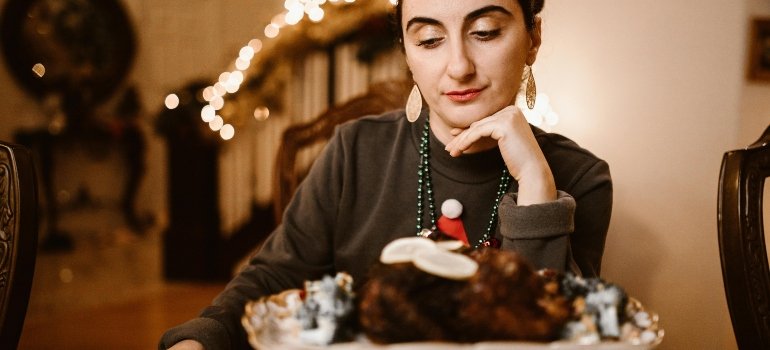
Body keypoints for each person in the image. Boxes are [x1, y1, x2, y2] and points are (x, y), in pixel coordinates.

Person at [160, 0, 612, 349]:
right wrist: (203, 336)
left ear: (533, 36)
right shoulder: (354, 150)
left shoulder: (580, 177)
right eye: (430, 40)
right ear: (406, 51)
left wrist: (535, 182)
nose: (458, 67)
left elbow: (556, 330)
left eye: (485, 32)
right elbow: (274, 278)